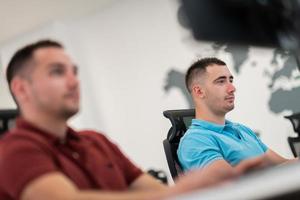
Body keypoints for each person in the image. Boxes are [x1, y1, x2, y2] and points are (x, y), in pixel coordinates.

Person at [0, 40, 265, 200]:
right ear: (22, 89)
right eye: (57, 72)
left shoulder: (96, 141)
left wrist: (190, 189)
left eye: (74, 71)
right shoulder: (13, 151)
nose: (73, 81)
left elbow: (154, 191)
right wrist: (183, 189)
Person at [177, 57, 297, 171]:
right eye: (221, 81)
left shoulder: (242, 130)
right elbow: (231, 185)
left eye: (231, 80)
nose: (232, 88)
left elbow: (284, 165)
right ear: (199, 91)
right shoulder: (195, 142)